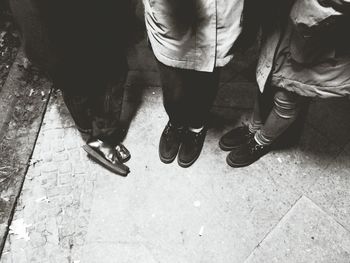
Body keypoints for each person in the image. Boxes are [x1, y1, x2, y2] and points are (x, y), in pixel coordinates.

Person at [10, 0, 137, 175]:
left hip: (65, 23)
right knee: (97, 73)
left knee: (80, 75)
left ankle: (97, 134)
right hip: (56, 26)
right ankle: (100, 136)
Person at [220, 0, 350, 167]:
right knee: (266, 77)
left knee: (288, 94)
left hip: (318, 29)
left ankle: (261, 141)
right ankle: (253, 128)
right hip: (283, 17)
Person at [144, 0, 259, 168]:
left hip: (219, 10)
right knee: (172, 83)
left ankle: (196, 127)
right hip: (169, 13)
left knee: (207, 71)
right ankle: (176, 122)